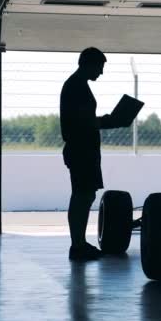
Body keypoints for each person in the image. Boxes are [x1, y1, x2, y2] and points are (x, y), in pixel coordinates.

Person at [60, 47, 117, 261]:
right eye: (99, 67)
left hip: (82, 149)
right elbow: (83, 122)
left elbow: (82, 121)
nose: (101, 72)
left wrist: (103, 122)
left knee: (83, 195)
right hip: (82, 149)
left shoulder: (76, 85)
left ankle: (79, 243)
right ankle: (77, 245)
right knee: (82, 196)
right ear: (88, 64)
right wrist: (108, 121)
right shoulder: (76, 87)